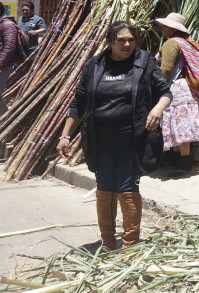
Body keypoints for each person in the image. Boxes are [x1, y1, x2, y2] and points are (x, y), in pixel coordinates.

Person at [57, 21, 172, 250]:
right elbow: (78, 101)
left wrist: (158, 108)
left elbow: (164, 92)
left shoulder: (144, 61)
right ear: (110, 41)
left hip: (131, 139)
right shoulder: (94, 65)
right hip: (101, 140)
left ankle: (129, 244)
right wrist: (65, 135)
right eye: (121, 39)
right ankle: (109, 243)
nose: (127, 44)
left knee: (128, 188)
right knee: (104, 188)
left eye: (131, 39)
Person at [154, 13, 199, 178]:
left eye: (166, 26)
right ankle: (180, 161)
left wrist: (156, 86)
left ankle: (184, 164)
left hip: (176, 89)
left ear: (172, 28)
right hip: (188, 89)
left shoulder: (172, 43)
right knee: (184, 126)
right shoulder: (189, 43)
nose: (163, 28)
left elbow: (166, 70)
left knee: (180, 127)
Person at [0, 3, 19, 115]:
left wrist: (1, 65)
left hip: (4, 66)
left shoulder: (7, 25)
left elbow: (9, 47)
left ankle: (3, 118)